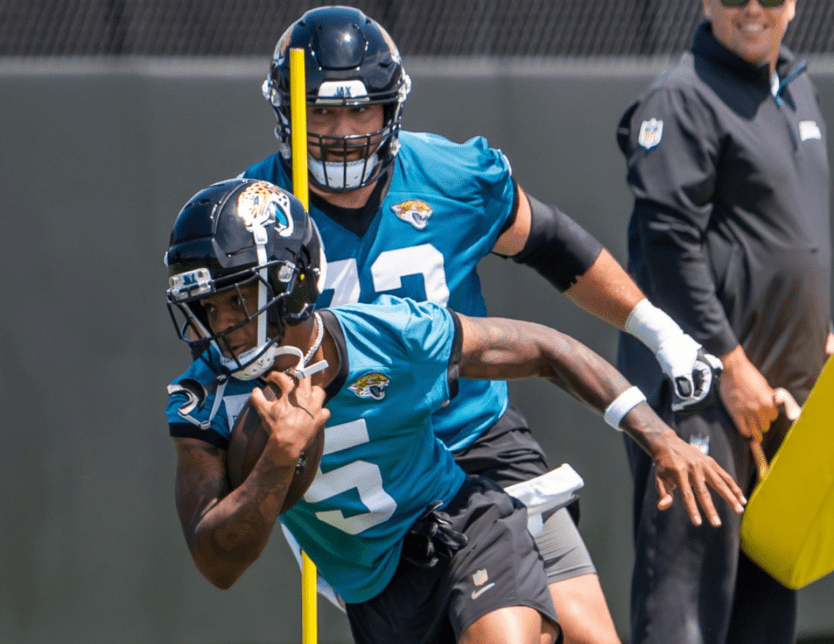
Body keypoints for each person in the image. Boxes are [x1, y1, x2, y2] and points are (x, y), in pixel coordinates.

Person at [224, 5, 722, 644]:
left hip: (474, 436)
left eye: (360, 111)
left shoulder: (451, 176)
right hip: (364, 474)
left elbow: (553, 245)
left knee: (588, 636)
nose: (343, 132)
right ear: (288, 111)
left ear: (391, 111)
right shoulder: (254, 214)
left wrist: (657, 329)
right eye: (321, 112)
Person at [164, 178, 747, 644]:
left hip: (461, 524)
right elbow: (218, 563)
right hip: (377, 592)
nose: (220, 327)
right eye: (203, 308)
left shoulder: (393, 336)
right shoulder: (203, 402)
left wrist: (657, 436)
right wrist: (276, 463)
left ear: (290, 285)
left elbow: (544, 349)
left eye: (234, 301)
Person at [614, 0, 834, 643]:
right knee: (684, 610)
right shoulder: (681, 97)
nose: (753, 5)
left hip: (777, 400)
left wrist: (815, 331)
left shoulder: (797, 86)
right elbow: (668, 244)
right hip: (703, 397)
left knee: (767, 608)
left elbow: (785, 237)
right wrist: (730, 368)